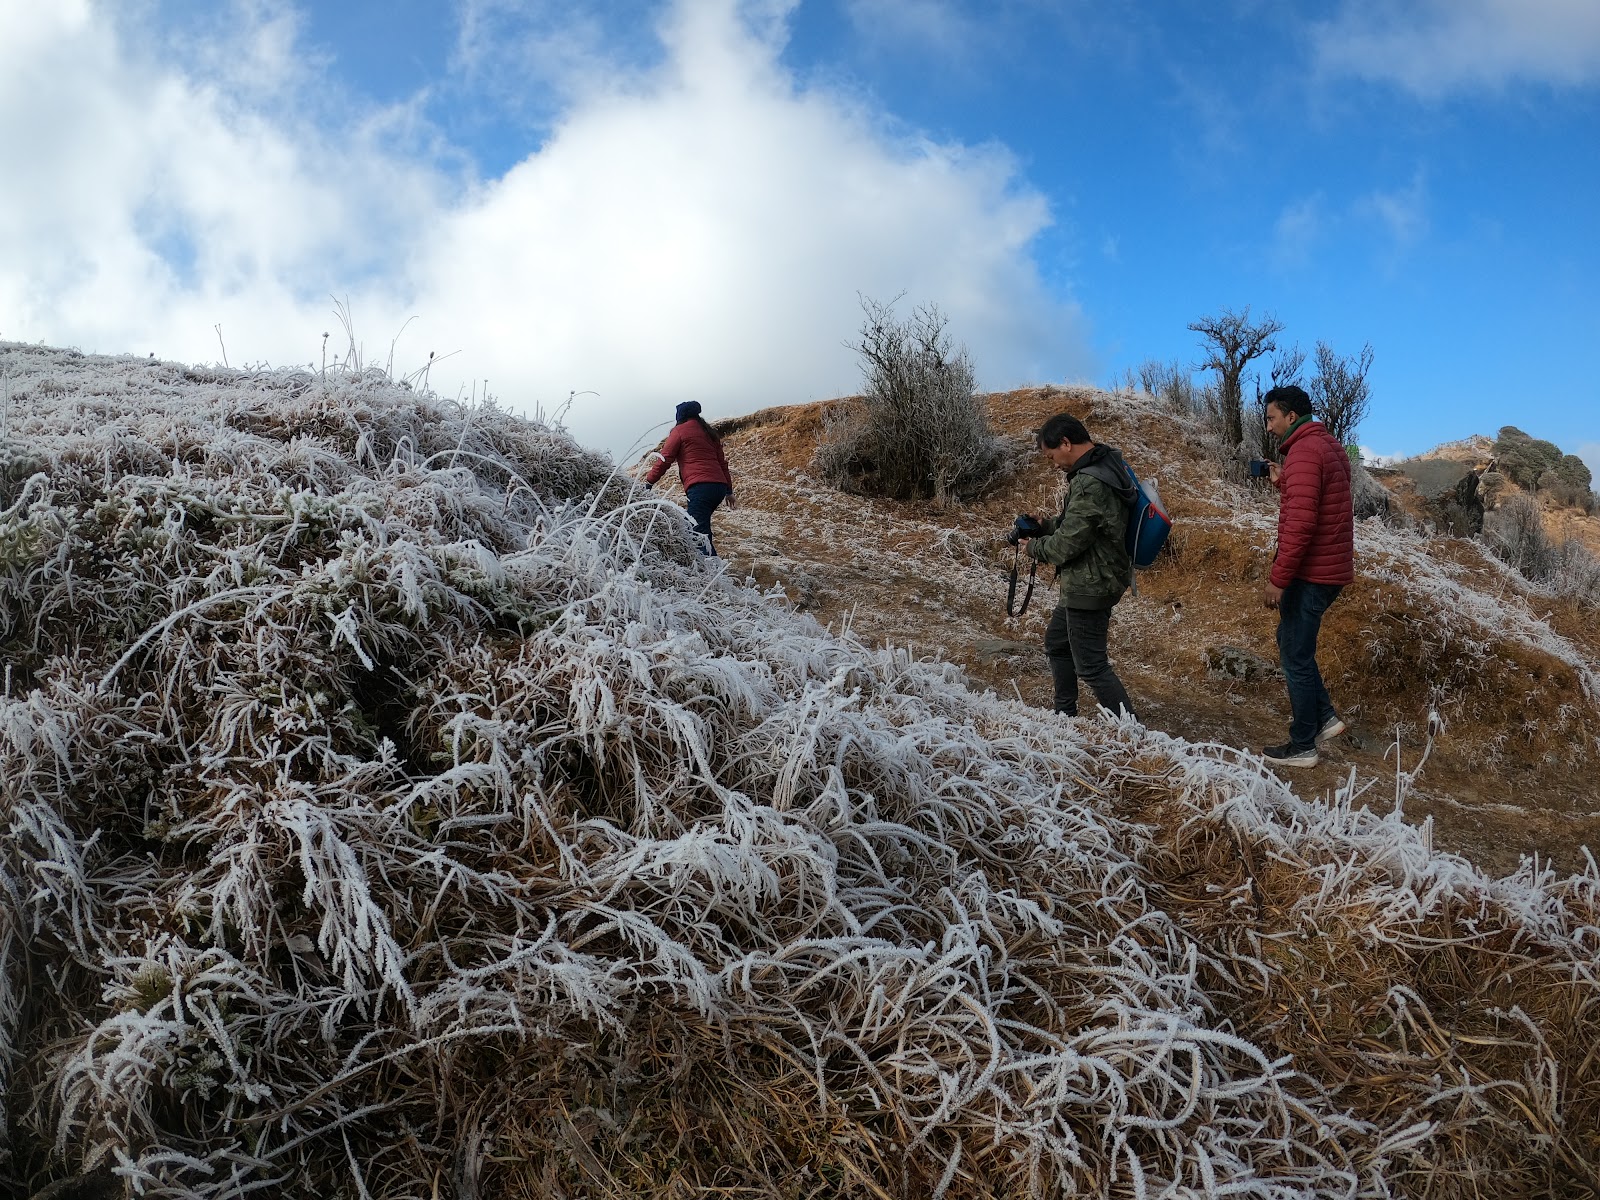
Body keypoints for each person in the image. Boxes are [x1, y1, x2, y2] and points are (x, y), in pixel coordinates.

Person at [1019, 412, 1138, 723]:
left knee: (1091, 665)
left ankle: (1133, 732)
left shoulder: (1089, 483)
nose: (1054, 464)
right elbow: (1085, 525)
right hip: (1094, 577)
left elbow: (1065, 546)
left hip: (1091, 584)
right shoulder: (1107, 463)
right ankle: (1065, 716)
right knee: (1058, 644)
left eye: (1051, 456)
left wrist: (1033, 547)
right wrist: (1047, 525)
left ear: (1066, 443)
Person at [1260, 384, 1354, 768]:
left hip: (1311, 573)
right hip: (1329, 569)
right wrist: (1285, 481)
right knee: (1291, 641)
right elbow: (1321, 502)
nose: (1268, 427)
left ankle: (1303, 745)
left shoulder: (1303, 452)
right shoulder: (1328, 446)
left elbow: (1300, 525)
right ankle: (1325, 717)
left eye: (1271, 418)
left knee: (1295, 656)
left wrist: (1278, 579)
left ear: (1291, 416)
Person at [644, 401, 735, 555]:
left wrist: (649, 481)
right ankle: (706, 563)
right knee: (699, 526)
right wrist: (729, 491)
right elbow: (722, 463)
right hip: (718, 487)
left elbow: (665, 458)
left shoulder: (679, 431)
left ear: (680, 417)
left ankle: (711, 567)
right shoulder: (708, 433)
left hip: (700, 487)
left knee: (696, 531)